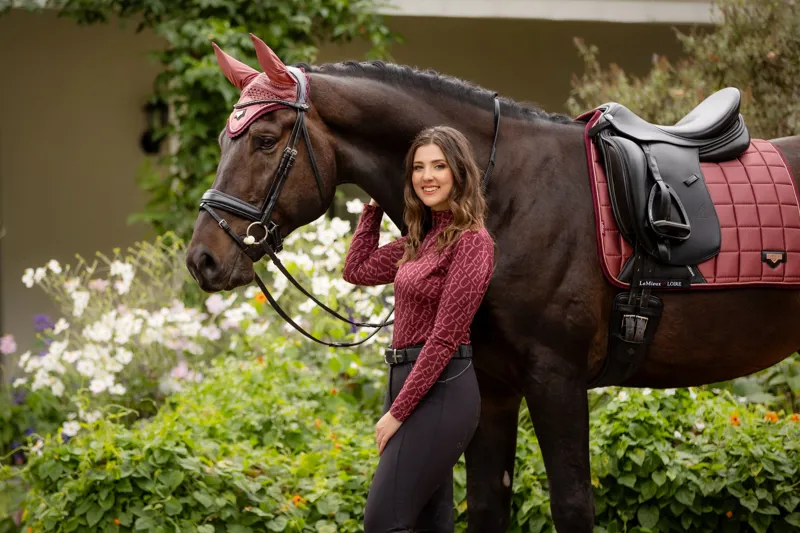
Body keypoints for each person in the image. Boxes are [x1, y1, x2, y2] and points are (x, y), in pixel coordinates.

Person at [342, 125, 496, 532]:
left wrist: (396, 413)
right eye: (418, 167)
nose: (427, 176)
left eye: (439, 166)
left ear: (459, 172)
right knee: (429, 524)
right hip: (407, 379)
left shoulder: (471, 242)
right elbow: (356, 269)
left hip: (443, 388)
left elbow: (445, 337)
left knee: (383, 521)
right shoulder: (420, 240)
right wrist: (374, 205)